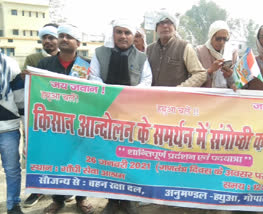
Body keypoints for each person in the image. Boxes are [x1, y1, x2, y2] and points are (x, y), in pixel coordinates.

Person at [89, 19, 151, 214]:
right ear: (113, 34)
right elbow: (94, 77)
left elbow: (147, 81)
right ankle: (113, 200)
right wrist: (111, 95)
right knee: (108, 158)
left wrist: (126, 96)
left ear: (133, 36)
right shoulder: (99, 53)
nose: (123, 36)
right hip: (106, 113)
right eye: (119, 32)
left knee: (129, 156)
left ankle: (127, 199)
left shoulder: (141, 58)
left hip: (131, 115)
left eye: (127, 33)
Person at [37, 24, 94, 214]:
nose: (64, 39)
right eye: (61, 35)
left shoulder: (88, 65)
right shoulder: (44, 65)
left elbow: (98, 93)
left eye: (69, 36)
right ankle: (58, 199)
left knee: (80, 160)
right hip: (54, 124)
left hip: (80, 123)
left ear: (78, 43)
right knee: (56, 160)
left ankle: (81, 199)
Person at [22, 23, 59, 208]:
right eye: (44, 38)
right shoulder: (33, 58)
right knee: (38, 153)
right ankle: (36, 190)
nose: (47, 41)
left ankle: (61, 191)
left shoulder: (70, 60)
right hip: (40, 116)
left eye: (51, 37)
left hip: (63, 118)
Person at [146, 10, 207, 87]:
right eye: (161, 23)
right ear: (156, 28)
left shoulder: (184, 47)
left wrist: (180, 89)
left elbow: (200, 74)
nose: (165, 26)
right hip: (153, 97)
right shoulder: (149, 49)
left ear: (175, 27)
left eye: (169, 22)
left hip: (176, 98)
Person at [0, 51, 25, 214]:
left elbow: (20, 98)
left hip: (7, 127)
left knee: (12, 168)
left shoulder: (9, 64)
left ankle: (13, 205)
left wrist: (26, 126)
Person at [196, 20, 236, 90]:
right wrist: (210, 70)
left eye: (225, 39)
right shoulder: (200, 51)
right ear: (211, 37)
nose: (221, 42)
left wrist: (230, 76)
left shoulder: (232, 53)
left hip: (226, 96)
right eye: (218, 39)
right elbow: (193, 79)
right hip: (206, 96)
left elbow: (237, 85)